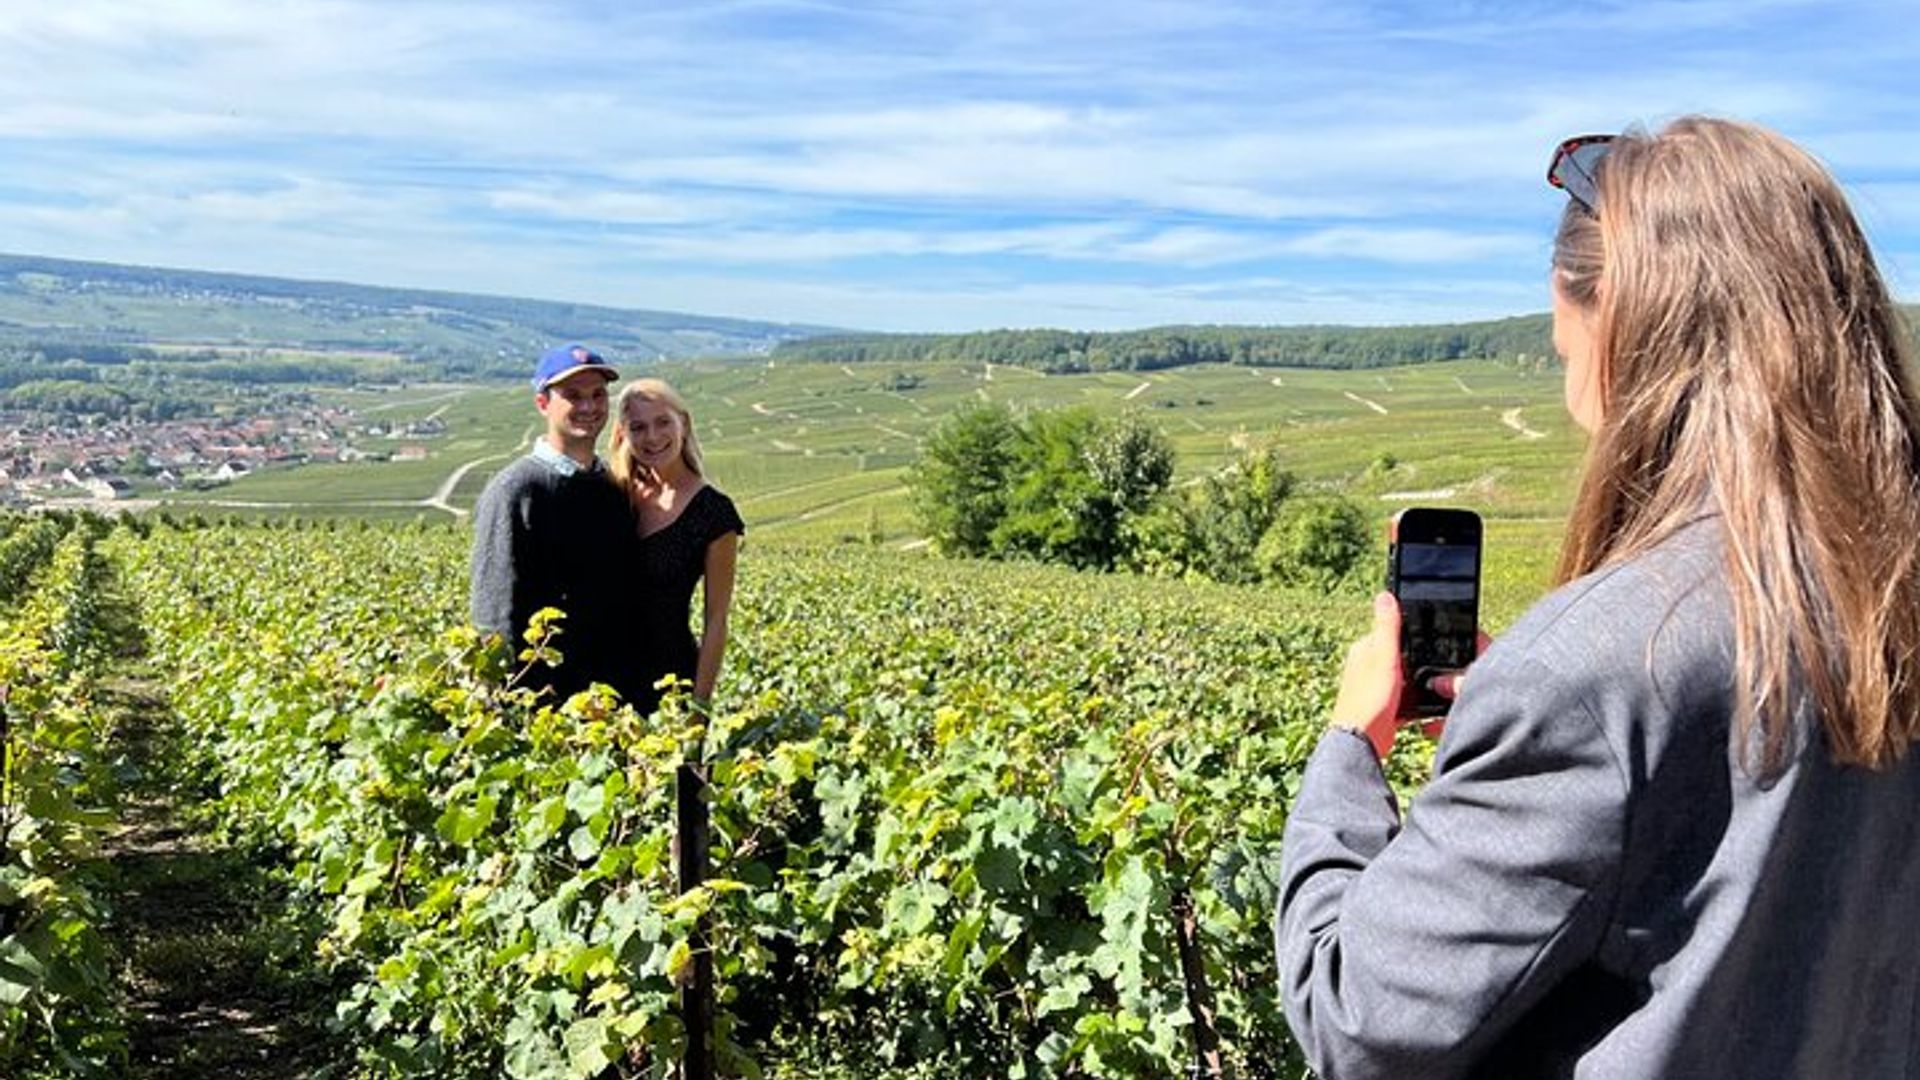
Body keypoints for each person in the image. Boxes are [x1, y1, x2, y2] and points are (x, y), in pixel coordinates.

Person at [1274, 117, 1920, 1079]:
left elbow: (1354, 1019)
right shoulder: (1887, 591)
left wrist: (1349, 750)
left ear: (1617, 316)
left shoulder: (1591, 671)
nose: (1562, 356)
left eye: (1562, 342)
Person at [470, 343, 645, 703]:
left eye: (598, 395)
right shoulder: (516, 490)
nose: (589, 407)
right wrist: (504, 700)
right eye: (573, 396)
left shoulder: (612, 487)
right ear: (543, 404)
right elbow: (494, 610)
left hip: (607, 699)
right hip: (542, 701)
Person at [607, 378, 743, 713]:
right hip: (600, 679)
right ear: (623, 433)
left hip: (668, 684)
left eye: (663, 422)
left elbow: (716, 619)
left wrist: (699, 707)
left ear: (684, 422)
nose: (652, 437)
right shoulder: (611, 496)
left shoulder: (713, 513)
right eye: (638, 427)